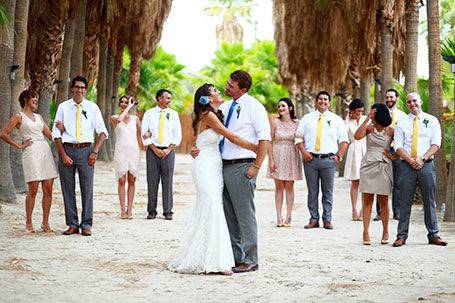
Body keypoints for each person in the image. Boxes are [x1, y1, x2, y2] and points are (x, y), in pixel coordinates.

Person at [168, 83, 257, 275]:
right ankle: (216, 261)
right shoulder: (208, 115)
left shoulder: (212, 113)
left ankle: (211, 256)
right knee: (213, 207)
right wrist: (256, 148)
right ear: (208, 98)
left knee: (212, 208)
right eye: (215, 91)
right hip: (206, 166)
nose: (219, 92)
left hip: (214, 165)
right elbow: (230, 136)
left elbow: (197, 140)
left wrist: (194, 148)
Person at [52, 75, 108, 236]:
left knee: (87, 188)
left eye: (82, 87)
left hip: (86, 151)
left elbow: (103, 132)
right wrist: (62, 154)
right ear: (72, 88)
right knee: (67, 189)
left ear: (86, 89)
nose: (79, 90)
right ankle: (72, 224)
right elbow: (56, 133)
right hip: (67, 149)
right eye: (77, 87)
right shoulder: (63, 107)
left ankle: (86, 224)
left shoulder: (92, 107)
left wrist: (95, 152)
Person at [392, 92, 448, 247]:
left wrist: (421, 159)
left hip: (426, 165)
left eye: (414, 100)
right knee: (405, 201)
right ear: (407, 104)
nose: (412, 104)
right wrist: (411, 160)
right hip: (406, 166)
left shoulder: (432, 120)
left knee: (429, 201)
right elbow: (398, 145)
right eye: (409, 102)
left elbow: (436, 143)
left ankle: (433, 234)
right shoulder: (401, 122)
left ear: (420, 101)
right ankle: (401, 235)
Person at [0, 89, 58, 233]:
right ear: (26, 99)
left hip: (45, 150)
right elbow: (3, 134)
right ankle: (29, 222)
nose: (36, 101)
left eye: (37, 99)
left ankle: (45, 223)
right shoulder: (18, 116)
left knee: (48, 188)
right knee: (33, 189)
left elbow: (50, 135)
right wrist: (19, 145)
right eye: (34, 98)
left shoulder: (39, 117)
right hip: (31, 152)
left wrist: (61, 131)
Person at [295, 91, 349, 230]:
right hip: (310, 160)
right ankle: (313, 219)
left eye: (326, 99)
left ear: (329, 102)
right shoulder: (307, 118)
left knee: (328, 192)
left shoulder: (336, 119)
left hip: (328, 161)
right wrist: (304, 152)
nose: (323, 101)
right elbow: (298, 138)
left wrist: (339, 156)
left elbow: (344, 140)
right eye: (320, 99)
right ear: (316, 101)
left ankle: (327, 220)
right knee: (312, 192)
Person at [354, 103, 394, 245]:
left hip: (384, 165)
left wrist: (393, 156)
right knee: (367, 199)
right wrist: (366, 120)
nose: (371, 114)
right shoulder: (369, 128)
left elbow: (401, 146)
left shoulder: (391, 131)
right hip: (368, 164)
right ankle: (365, 231)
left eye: (373, 113)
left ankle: (385, 230)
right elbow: (357, 136)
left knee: (383, 199)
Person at [141, 89, 182, 220]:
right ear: (159, 98)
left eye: (170, 98)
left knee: (168, 181)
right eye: (167, 98)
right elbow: (144, 133)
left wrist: (168, 150)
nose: (170, 101)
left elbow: (177, 134)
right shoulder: (149, 113)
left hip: (168, 152)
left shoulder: (174, 114)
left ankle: (168, 211)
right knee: (152, 181)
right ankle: (151, 211)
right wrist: (154, 148)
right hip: (152, 152)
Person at [267, 97, 303, 227]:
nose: (280, 108)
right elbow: (269, 141)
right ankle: (278, 217)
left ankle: (289, 216)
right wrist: (271, 160)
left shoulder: (298, 123)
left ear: (290, 108)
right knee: (278, 187)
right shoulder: (274, 122)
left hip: (292, 154)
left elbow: (301, 139)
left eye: (283, 106)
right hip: (277, 153)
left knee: (289, 187)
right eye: (279, 106)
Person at [373, 88, 408, 221]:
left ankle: (397, 211)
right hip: (382, 150)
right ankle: (380, 212)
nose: (389, 100)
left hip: (398, 151)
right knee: (381, 181)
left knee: (398, 182)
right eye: (387, 97)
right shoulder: (380, 114)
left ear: (397, 98)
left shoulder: (403, 115)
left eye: (392, 97)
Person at [111, 96, 142, 219]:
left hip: (133, 151)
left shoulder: (135, 119)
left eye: (126, 102)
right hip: (120, 152)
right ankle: (122, 210)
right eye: (122, 102)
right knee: (121, 180)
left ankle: (130, 210)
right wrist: (129, 106)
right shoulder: (115, 118)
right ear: (120, 104)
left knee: (132, 180)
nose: (124, 104)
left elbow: (142, 134)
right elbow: (120, 119)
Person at [343, 99, 367, 221]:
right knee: (355, 182)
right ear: (352, 111)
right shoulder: (347, 122)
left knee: (365, 183)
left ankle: (363, 210)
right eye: (357, 111)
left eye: (361, 111)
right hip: (353, 150)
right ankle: (354, 210)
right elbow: (343, 134)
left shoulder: (365, 119)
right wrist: (348, 117)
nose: (359, 113)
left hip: (365, 149)